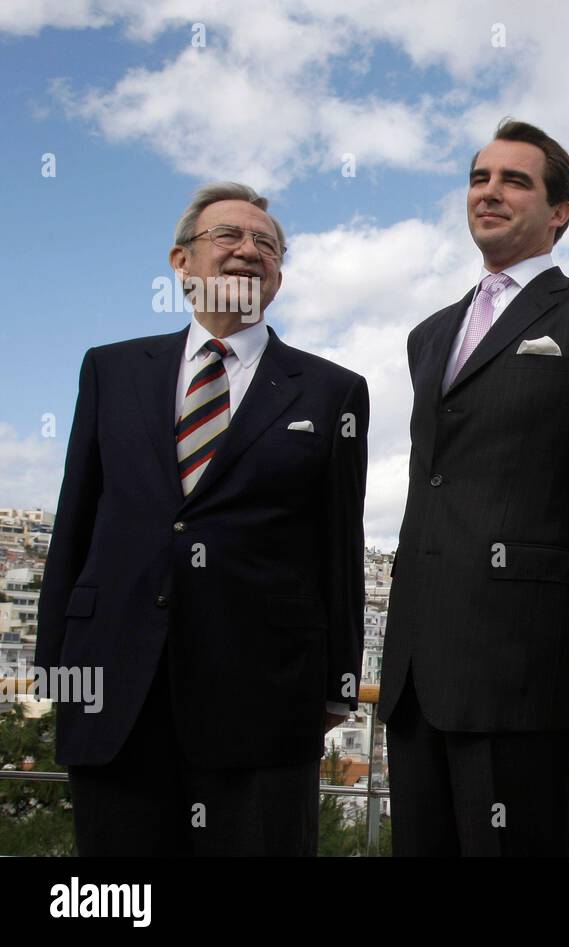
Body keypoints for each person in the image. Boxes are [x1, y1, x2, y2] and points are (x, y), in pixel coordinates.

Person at [35, 182, 369, 856]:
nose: (250, 250)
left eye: (267, 245)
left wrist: (339, 682)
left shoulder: (334, 390)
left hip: (263, 700)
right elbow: (75, 524)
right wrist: (54, 669)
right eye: (230, 236)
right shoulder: (111, 370)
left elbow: (339, 547)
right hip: (113, 689)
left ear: (277, 276)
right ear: (181, 260)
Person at [381, 119, 569, 856]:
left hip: (524, 665)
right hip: (414, 672)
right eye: (479, 178)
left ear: (560, 210)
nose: (490, 192)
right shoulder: (429, 335)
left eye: (514, 180)